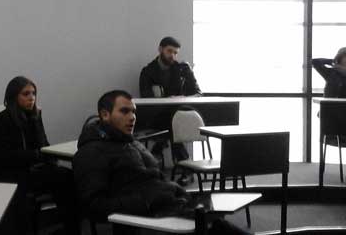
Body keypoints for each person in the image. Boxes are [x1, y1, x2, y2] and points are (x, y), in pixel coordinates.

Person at [73, 90, 248, 235]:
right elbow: (94, 207)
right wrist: (150, 200)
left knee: (217, 225)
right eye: (124, 111)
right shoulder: (91, 152)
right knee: (212, 227)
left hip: (171, 207)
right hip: (151, 218)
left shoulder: (132, 144)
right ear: (105, 115)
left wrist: (172, 190)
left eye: (134, 111)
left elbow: (155, 180)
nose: (132, 117)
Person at [0, 76, 80, 234]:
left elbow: (44, 145)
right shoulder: (1, 120)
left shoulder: (34, 116)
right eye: (26, 94)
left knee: (68, 177)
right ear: (14, 96)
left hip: (36, 168)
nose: (31, 97)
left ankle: (70, 228)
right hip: (14, 173)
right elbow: (4, 156)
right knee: (56, 180)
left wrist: (36, 121)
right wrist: (36, 155)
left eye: (33, 93)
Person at [139, 36, 200, 184]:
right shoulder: (148, 71)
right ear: (160, 49)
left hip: (177, 117)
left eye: (175, 52)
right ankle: (186, 168)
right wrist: (167, 99)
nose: (172, 55)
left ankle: (157, 150)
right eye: (169, 51)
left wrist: (181, 95)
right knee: (174, 123)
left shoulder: (182, 69)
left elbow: (197, 93)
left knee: (174, 121)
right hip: (156, 117)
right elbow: (146, 99)